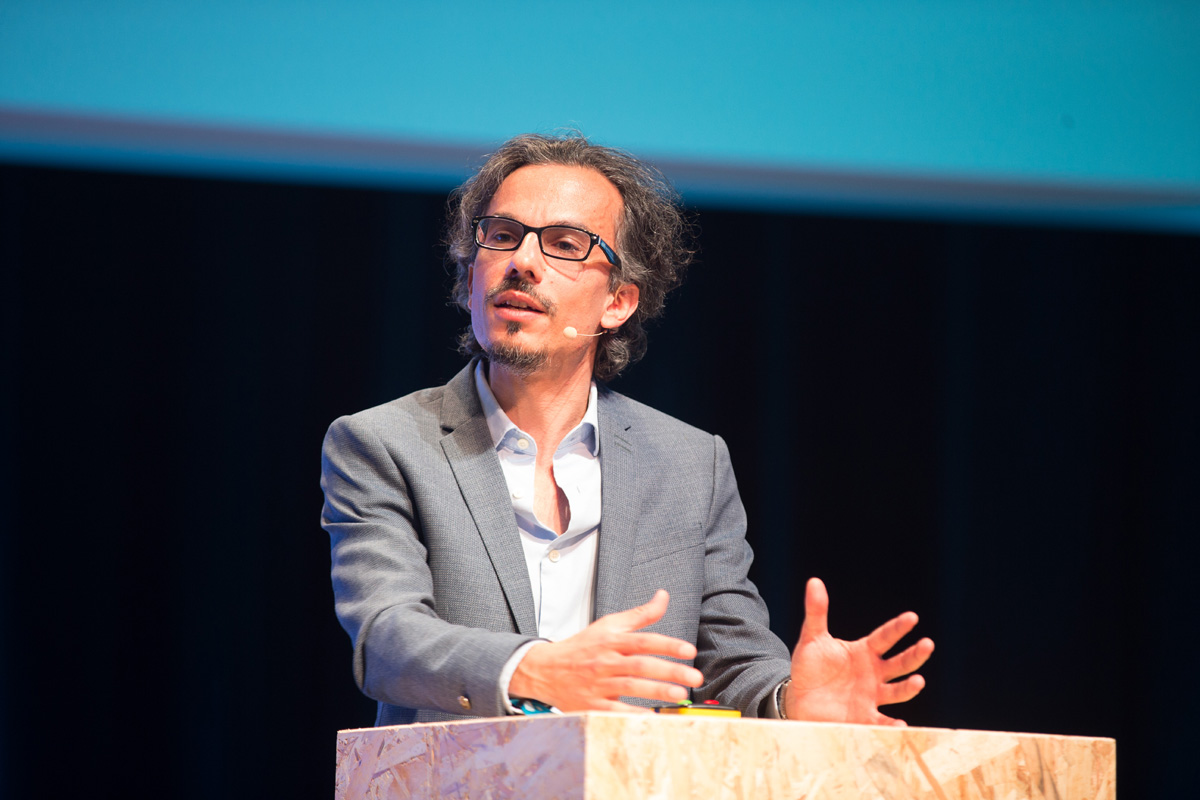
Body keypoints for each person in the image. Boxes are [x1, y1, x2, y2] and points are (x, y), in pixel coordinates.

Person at [321, 132, 933, 727]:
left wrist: (792, 700)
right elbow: (387, 638)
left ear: (618, 303)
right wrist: (535, 670)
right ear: (471, 270)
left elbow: (730, 660)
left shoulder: (690, 464)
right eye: (502, 235)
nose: (522, 262)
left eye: (564, 244)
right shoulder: (385, 444)